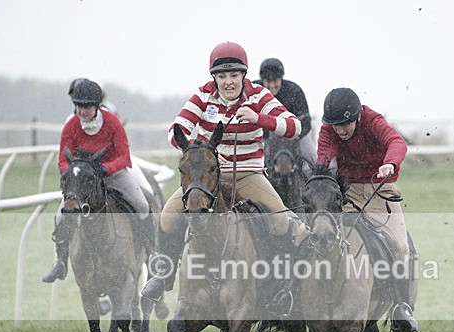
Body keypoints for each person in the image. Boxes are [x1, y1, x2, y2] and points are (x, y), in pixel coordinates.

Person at [140, 42, 308, 303]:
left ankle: (281, 285)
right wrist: (198, 149)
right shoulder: (202, 96)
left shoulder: (259, 96)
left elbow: (295, 127)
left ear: (244, 75)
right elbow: (176, 131)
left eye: (233, 75)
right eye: (221, 76)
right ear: (214, 77)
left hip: (248, 174)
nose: (228, 82)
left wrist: (259, 119)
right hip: (207, 178)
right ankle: (163, 275)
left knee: (281, 222)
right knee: (167, 218)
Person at [317, 87, 418, 332]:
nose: (339, 130)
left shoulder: (373, 121)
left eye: (344, 125)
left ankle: (400, 306)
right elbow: (324, 156)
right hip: (348, 194)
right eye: (335, 125)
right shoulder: (329, 129)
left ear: (357, 117)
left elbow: (396, 142)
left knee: (400, 246)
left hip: (380, 192)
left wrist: (389, 163)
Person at [42, 78, 157, 283]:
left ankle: (154, 255)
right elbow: (62, 160)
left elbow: (124, 158)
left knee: (141, 205)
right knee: (61, 216)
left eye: (87, 106)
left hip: (113, 175)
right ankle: (60, 262)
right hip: (83, 181)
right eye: (79, 106)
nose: (82, 111)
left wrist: (104, 168)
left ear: (97, 106)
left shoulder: (112, 123)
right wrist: (74, 174)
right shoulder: (71, 125)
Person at [255, 58, 316, 165]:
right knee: (259, 159)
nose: (272, 85)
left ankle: (315, 177)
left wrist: (295, 135)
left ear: (281, 79)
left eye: (275, 81)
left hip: (294, 135)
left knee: (311, 156)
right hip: (264, 136)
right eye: (268, 81)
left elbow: (306, 119)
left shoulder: (294, 91)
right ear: (262, 80)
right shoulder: (255, 90)